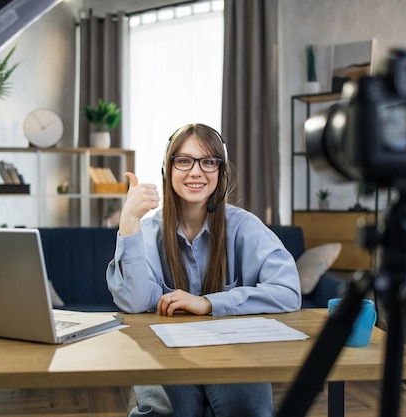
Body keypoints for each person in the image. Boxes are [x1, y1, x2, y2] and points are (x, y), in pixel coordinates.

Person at [106, 123, 302, 417]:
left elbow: (288, 292)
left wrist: (210, 303)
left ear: (220, 173)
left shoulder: (244, 226)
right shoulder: (147, 231)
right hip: (167, 354)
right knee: (163, 412)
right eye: (184, 161)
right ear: (167, 170)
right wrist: (129, 223)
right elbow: (134, 302)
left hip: (235, 352)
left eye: (209, 161)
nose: (196, 172)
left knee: (249, 410)